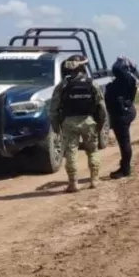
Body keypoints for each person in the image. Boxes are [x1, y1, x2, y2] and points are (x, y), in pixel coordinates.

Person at [49, 55, 108, 193]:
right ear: (82, 67)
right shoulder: (92, 83)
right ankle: (94, 180)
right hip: (89, 121)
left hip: (68, 123)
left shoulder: (62, 85)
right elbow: (101, 106)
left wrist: (56, 125)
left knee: (70, 152)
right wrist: (101, 123)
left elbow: (54, 108)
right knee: (92, 151)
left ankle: (73, 183)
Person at [105, 57, 138, 179]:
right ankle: (125, 167)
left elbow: (116, 69)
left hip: (121, 115)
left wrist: (120, 61)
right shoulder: (132, 79)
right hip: (128, 111)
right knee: (125, 142)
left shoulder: (120, 82)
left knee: (124, 143)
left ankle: (125, 169)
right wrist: (128, 63)